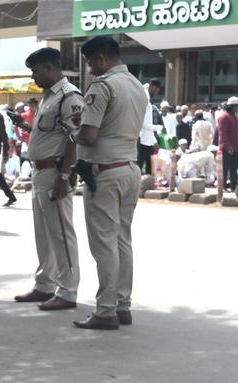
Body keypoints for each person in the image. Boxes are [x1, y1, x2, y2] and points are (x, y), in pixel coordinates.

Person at [71, 34, 145, 331]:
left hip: (105, 172)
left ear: (101, 58)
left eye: (90, 62)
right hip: (129, 168)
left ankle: (105, 310)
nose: (89, 68)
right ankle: (122, 305)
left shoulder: (102, 86)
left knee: (104, 244)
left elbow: (88, 135)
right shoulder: (137, 86)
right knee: (122, 239)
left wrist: (71, 131)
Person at [10, 47, 84, 314]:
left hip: (55, 173)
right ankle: (45, 284)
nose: (34, 77)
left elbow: (76, 139)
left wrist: (65, 176)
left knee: (61, 234)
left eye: (36, 71)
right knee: (44, 233)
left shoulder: (69, 96)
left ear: (51, 68)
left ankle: (67, 290)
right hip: (41, 172)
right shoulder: (48, 97)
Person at [217, 96, 238, 191]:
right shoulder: (224, 117)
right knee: (225, 169)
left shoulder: (233, 116)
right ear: (232, 106)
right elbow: (222, 134)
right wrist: (228, 147)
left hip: (235, 148)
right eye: (236, 106)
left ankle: (234, 187)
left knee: (234, 169)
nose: (237, 108)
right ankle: (223, 187)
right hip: (227, 148)